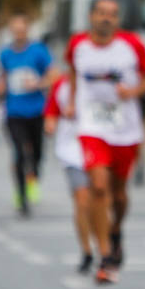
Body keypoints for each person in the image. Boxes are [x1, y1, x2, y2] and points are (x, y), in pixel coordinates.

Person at [67, 0, 145, 284]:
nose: (107, 19)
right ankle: (105, 255)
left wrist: (132, 92)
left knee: (118, 195)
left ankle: (116, 229)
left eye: (113, 14)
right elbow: (72, 71)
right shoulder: (77, 44)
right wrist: (71, 101)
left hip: (125, 128)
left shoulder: (132, 44)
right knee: (98, 186)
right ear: (91, 16)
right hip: (91, 126)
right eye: (102, 13)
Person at [0, 12, 52, 217]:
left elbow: (54, 75)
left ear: (27, 30)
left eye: (22, 30)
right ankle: (21, 195)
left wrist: (38, 83)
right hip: (14, 112)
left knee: (36, 154)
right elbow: (0, 78)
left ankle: (33, 176)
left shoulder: (38, 51)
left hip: (36, 110)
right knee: (18, 152)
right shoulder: (5, 53)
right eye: (15, 30)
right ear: (11, 32)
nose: (19, 34)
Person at [44, 72, 95, 273]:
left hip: (101, 149)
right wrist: (50, 124)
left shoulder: (100, 81)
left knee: (100, 199)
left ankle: (106, 244)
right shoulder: (61, 85)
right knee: (82, 200)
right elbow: (51, 114)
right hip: (73, 151)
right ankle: (87, 250)